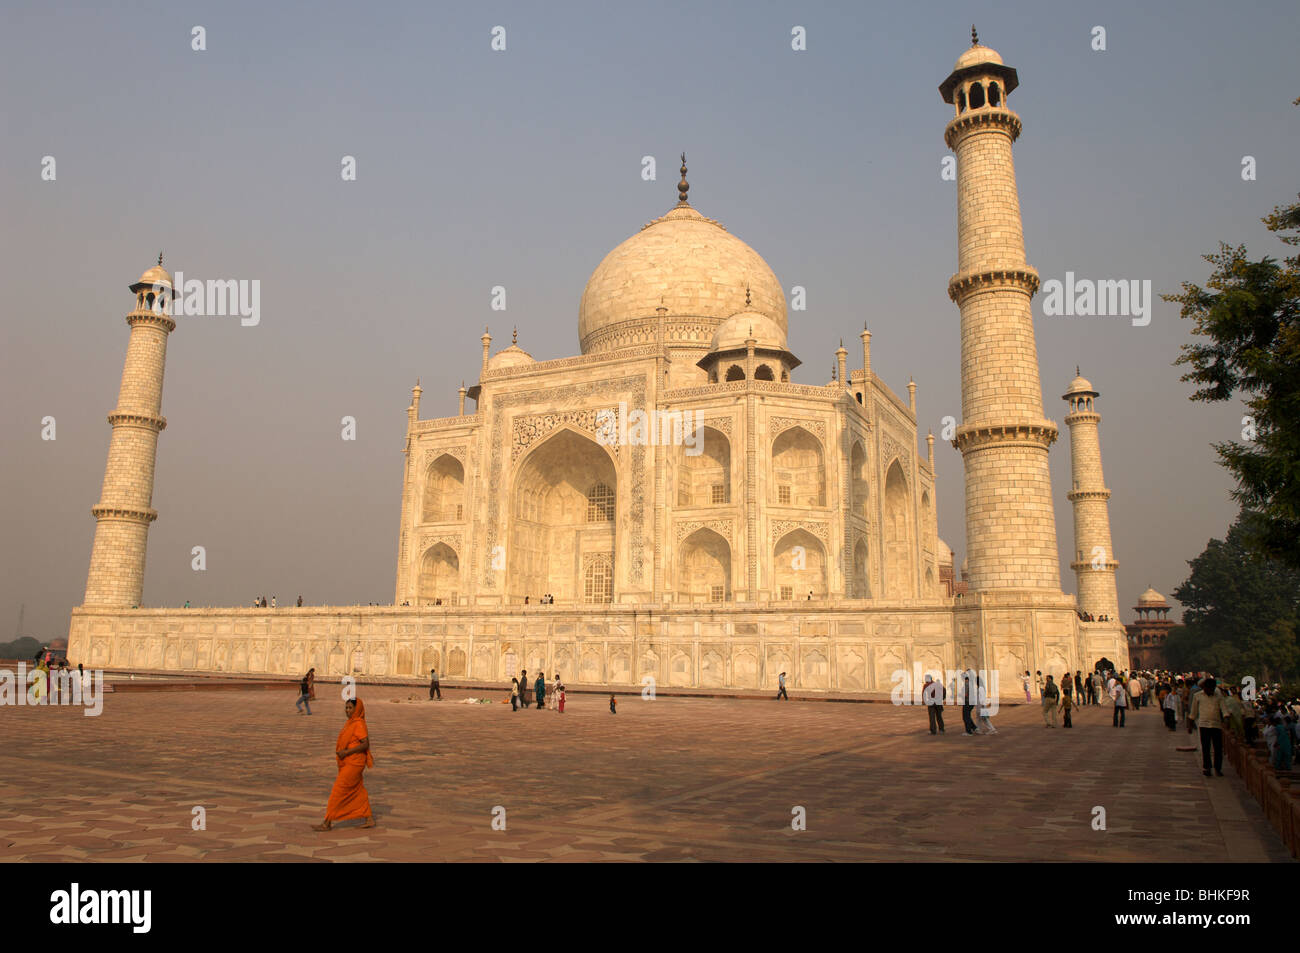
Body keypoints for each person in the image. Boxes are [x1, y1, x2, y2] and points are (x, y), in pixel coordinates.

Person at [313, 697, 375, 831]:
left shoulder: (358, 724)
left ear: (356, 709)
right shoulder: (350, 723)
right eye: (346, 708)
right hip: (349, 762)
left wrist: (346, 752)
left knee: (338, 790)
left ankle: (327, 822)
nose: (347, 711)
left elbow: (365, 744)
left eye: (350, 708)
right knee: (358, 790)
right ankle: (369, 818)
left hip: (354, 762)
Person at [1188, 676, 1229, 777]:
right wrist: (1190, 724)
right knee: (1206, 748)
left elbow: (1224, 709)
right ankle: (1207, 767)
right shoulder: (1198, 696)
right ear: (1204, 688)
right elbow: (1193, 711)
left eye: (1212, 689)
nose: (1210, 691)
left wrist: (1226, 718)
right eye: (1208, 689)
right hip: (1204, 724)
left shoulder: (1218, 697)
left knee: (1218, 748)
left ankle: (1218, 768)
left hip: (1216, 725)